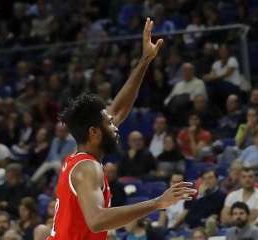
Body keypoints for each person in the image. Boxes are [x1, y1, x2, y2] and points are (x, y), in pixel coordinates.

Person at [45, 19, 197, 240]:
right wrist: (157, 203)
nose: (115, 126)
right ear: (94, 132)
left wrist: (145, 59)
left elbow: (117, 109)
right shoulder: (88, 167)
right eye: (108, 124)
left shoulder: (77, 160)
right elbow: (97, 221)